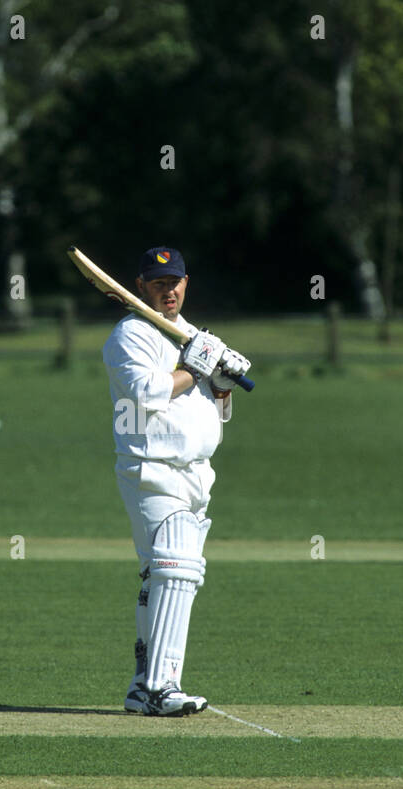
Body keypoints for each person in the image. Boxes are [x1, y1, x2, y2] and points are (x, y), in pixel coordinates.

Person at [102, 246, 251, 716]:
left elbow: (216, 410)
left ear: (187, 283)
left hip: (196, 473)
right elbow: (148, 393)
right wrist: (197, 367)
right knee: (176, 569)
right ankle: (160, 688)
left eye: (176, 281)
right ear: (141, 285)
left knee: (162, 577)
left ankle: (140, 686)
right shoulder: (130, 335)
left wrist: (223, 383)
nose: (169, 290)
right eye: (159, 282)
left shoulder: (193, 334)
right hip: (152, 468)